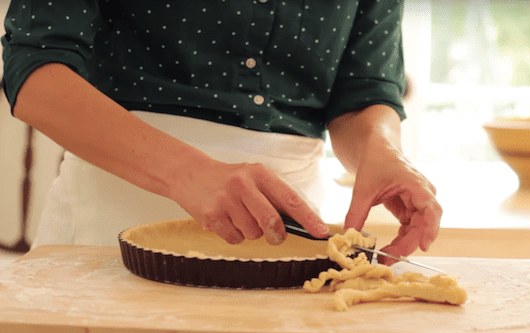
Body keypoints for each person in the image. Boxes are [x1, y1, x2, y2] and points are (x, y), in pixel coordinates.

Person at [2, 1, 441, 265]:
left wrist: (381, 150)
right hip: (111, 215)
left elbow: (362, 92)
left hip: (291, 239)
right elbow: (36, 73)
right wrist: (189, 173)